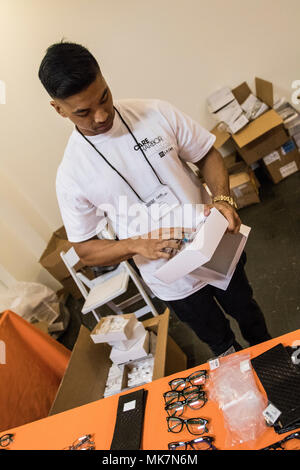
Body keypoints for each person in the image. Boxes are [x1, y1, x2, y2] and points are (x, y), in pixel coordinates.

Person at [38, 41, 271, 357]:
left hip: (215, 244)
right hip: (170, 279)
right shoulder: (72, 174)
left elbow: (207, 154)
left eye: (104, 96)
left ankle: (278, 363)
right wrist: (136, 245)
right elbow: (85, 249)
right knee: (219, 341)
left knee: (249, 313)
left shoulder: (155, 113)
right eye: (84, 111)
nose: (102, 114)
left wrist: (223, 199)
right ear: (58, 109)